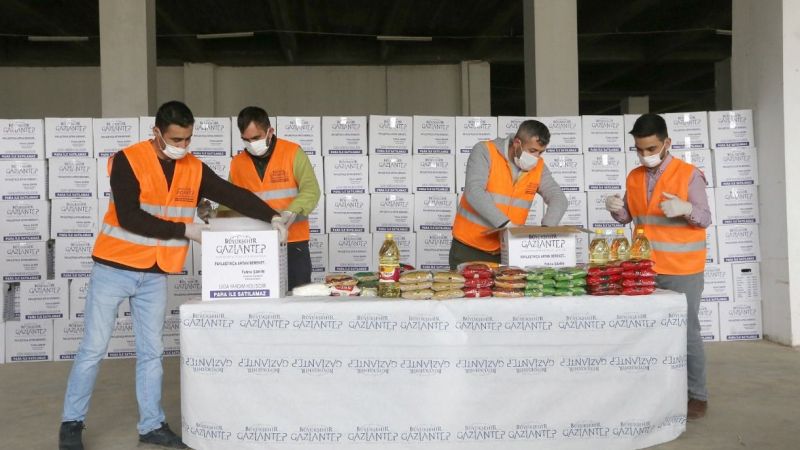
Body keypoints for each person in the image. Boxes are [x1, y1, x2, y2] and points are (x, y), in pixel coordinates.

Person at [59, 101, 286, 450]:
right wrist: (186, 230)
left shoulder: (193, 167)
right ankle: (71, 424)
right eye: (176, 140)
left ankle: (151, 425)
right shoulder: (128, 160)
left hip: (154, 274)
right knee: (93, 348)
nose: (182, 147)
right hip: (114, 268)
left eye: (187, 140)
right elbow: (130, 218)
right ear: (156, 133)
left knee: (152, 352)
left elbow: (230, 193)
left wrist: (272, 216)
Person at [605, 113, 711, 420]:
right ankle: (653, 389)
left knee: (687, 332)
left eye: (651, 149)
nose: (645, 155)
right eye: (639, 149)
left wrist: (687, 208)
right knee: (648, 332)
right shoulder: (634, 177)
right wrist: (616, 209)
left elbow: (705, 217)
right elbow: (629, 217)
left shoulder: (688, 174)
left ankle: (697, 395)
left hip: (682, 268)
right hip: (644, 268)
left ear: (667, 143)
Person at [216, 106, 320, 290]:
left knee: (298, 302)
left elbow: (311, 190)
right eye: (246, 140)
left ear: (270, 131)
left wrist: (291, 211)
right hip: (254, 248)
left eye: (256, 138)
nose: (251, 144)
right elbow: (229, 202)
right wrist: (213, 217)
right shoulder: (237, 164)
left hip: (292, 242)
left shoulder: (292, 153)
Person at [449, 119, 568, 269]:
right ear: (517, 143)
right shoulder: (485, 151)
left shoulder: (539, 167)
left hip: (508, 251)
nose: (536, 157)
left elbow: (559, 199)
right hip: (470, 247)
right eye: (532, 151)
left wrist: (544, 231)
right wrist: (507, 225)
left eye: (540, 152)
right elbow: (474, 191)